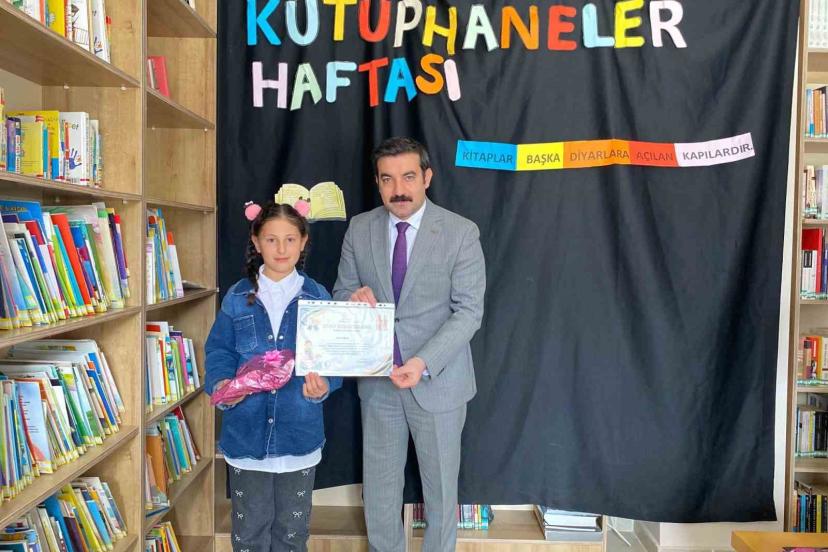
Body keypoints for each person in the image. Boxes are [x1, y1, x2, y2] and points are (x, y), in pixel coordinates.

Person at [333, 137, 486, 551]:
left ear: (427, 177)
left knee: (440, 497)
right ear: (377, 182)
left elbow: (469, 312)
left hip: (439, 382)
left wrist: (422, 362)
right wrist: (352, 298)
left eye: (408, 177)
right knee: (379, 498)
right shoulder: (360, 228)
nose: (398, 189)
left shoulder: (460, 232)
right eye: (387, 179)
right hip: (379, 385)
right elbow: (341, 293)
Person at [205, 201, 342, 552]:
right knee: (248, 534)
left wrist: (324, 386)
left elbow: (332, 360)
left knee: (292, 535)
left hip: (299, 437)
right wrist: (222, 384)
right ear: (256, 242)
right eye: (271, 240)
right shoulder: (237, 297)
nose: (281, 249)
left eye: (290, 239)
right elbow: (219, 350)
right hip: (246, 437)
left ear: (303, 241)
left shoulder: (318, 297)